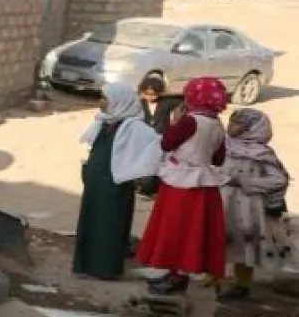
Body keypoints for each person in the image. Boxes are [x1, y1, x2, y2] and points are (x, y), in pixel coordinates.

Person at [137, 77, 230, 293]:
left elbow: (167, 143)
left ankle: (175, 275)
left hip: (181, 183)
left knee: (176, 229)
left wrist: (175, 123)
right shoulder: (216, 123)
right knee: (193, 232)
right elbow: (218, 159)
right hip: (204, 184)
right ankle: (179, 273)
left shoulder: (190, 121)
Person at [73, 82, 160, 279]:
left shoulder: (134, 127)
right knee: (91, 222)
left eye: (105, 98)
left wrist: (135, 171)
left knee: (110, 226)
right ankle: (85, 265)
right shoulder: (103, 121)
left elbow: (156, 147)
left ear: (119, 101)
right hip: (96, 183)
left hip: (115, 186)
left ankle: (106, 269)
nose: (101, 102)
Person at [219, 108, 292, 299]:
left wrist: (247, 182)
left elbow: (279, 179)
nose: (230, 126)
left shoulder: (262, 153)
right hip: (222, 201)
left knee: (243, 245)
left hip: (246, 206)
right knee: (218, 240)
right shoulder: (223, 146)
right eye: (231, 122)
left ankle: (242, 284)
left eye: (237, 124)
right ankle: (214, 278)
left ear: (252, 128)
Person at [137, 74, 182, 198]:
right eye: (147, 94)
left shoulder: (167, 102)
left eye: (153, 94)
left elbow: (184, 104)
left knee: (160, 164)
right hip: (145, 139)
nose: (150, 97)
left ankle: (156, 189)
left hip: (161, 138)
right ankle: (144, 188)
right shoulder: (139, 104)